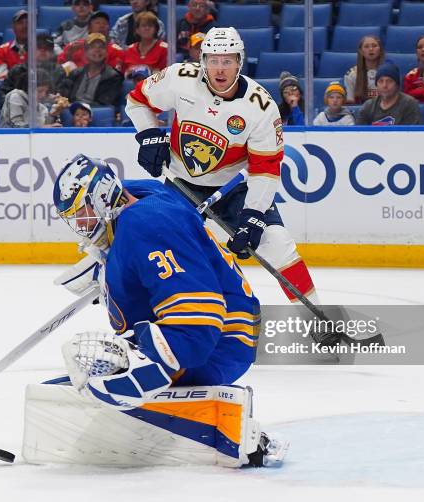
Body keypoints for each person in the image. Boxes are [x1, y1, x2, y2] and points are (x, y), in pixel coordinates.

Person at [52, 154, 286, 467]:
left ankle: (231, 429)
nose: (80, 226)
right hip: (215, 332)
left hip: (218, 343)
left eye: (82, 213)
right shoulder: (139, 203)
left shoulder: (147, 223)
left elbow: (198, 314)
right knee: (89, 371)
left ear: (103, 194)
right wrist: (109, 263)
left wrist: (151, 370)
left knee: (98, 374)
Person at [125, 26, 320, 305]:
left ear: (239, 62)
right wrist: (147, 134)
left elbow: (265, 167)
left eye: (227, 60)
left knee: (277, 244)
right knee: (164, 251)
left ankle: (323, 329)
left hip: (233, 189)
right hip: (180, 185)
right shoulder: (180, 78)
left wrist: (253, 214)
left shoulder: (261, 107)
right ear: (202, 60)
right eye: (213, 60)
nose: (220, 69)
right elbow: (137, 101)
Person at [0, 34, 66, 107]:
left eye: (47, 48)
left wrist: (54, 99)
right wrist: (17, 103)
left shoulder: (58, 71)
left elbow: (63, 96)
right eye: (38, 47)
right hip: (20, 110)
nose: (43, 50)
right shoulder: (17, 70)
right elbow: (0, 97)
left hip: (49, 111)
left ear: (52, 52)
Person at [59, 32, 123, 107]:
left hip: (96, 114)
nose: (97, 50)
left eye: (101, 47)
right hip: (72, 111)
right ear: (85, 52)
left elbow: (104, 103)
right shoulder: (75, 73)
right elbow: (63, 94)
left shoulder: (113, 77)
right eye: (92, 47)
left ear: (106, 52)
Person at [56, 10, 125, 74]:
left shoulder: (115, 50)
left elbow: (116, 74)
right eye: (97, 23)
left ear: (108, 29)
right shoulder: (74, 46)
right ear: (89, 28)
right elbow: (60, 69)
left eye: (105, 23)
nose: (101, 26)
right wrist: (69, 55)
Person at [356, 60, 421, 126]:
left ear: (397, 85)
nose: (384, 85)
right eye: (381, 81)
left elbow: (410, 133)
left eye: (389, 81)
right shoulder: (368, 106)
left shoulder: (409, 104)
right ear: (376, 85)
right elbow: (359, 133)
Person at [121, 11, 167, 78]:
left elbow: (165, 74)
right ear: (137, 30)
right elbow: (124, 74)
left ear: (156, 29)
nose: (147, 28)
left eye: (150, 26)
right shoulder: (129, 50)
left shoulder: (164, 49)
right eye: (143, 25)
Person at [344, 35, 385, 105]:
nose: (371, 49)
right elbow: (350, 102)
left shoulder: (388, 73)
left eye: (374, 46)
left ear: (380, 50)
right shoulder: (352, 74)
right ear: (361, 51)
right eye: (366, 46)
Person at [0, 9, 28, 80]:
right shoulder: (2, 50)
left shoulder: (41, 48)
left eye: (28, 23)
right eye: (20, 23)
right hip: (11, 89)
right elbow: (1, 78)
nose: (25, 26)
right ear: (13, 27)